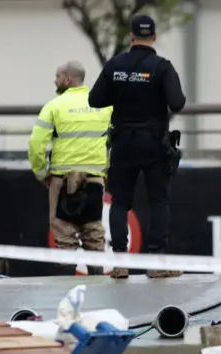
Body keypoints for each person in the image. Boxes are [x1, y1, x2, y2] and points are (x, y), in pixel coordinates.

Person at [88, 13, 185, 279]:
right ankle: (156, 263)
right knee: (159, 202)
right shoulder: (162, 67)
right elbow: (178, 103)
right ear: (154, 37)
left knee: (120, 202)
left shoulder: (114, 65)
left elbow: (95, 100)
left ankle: (119, 262)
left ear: (131, 36)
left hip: (123, 144)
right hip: (155, 144)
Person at [28, 61, 112, 259]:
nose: (54, 80)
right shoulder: (104, 106)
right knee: (94, 235)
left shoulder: (54, 106)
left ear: (67, 79)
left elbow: (36, 143)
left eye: (57, 76)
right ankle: (97, 283)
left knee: (64, 237)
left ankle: (67, 285)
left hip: (62, 180)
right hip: (94, 179)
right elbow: (113, 141)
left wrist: (41, 173)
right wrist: (105, 171)